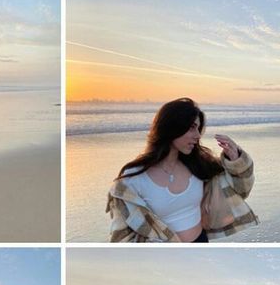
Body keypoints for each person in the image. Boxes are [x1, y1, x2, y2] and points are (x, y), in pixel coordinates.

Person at [107, 98, 258, 242]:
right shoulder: (132, 180)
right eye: (192, 128)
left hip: (200, 244)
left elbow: (240, 188)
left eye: (198, 129)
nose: (198, 136)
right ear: (172, 126)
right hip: (164, 259)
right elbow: (122, 238)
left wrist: (236, 159)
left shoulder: (198, 166)